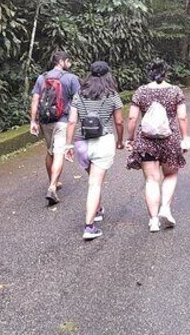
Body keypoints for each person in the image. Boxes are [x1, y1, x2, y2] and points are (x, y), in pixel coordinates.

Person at [125, 59, 190, 232]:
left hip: (146, 141)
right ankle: (165, 208)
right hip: (170, 140)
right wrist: (185, 137)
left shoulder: (141, 91)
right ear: (166, 73)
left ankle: (153, 220)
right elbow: (182, 117)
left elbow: (132, 118)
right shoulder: (175, 91)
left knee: (151, 180)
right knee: (170, 175)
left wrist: (130, 139)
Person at [65, 61, 124, 240]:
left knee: (93, 180)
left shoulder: (79, 94)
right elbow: (119, 122)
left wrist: (68, 145)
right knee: (95, 184)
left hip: (82, 143)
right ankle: (89, 226)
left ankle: (97, 209)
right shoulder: (112, 95)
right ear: (108, 74)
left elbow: (72, 121)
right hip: (102, 142)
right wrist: (120, 141)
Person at [29, 50, 81, 206]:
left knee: (50, 151)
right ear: (63, 62)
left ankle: (54, 181)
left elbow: (35, 99)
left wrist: (33, 121)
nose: (70, 65)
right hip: (63, 120)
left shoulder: (41, 78)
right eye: (69, 61)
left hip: (45, 121)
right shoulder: (71, 78)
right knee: (59, 152)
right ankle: (52, 185)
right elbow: (79, 101)